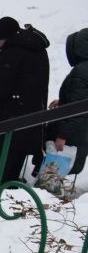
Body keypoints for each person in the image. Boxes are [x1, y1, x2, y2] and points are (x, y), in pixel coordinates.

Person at [0, 16, 50, 184]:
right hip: (28, 121)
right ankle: (5, 205)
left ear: (4, 37)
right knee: (11, 175)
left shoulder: (12, 52)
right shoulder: (37, 48)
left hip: (9, 123)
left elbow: (0, 92)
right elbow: (25, 82)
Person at [44, 27, 88, 177]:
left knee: (52, 182)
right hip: (82, 133)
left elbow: (77, 109)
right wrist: (63, 101)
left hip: (71, 137)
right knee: (61, 183)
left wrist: (62, 135)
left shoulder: (81, 71)